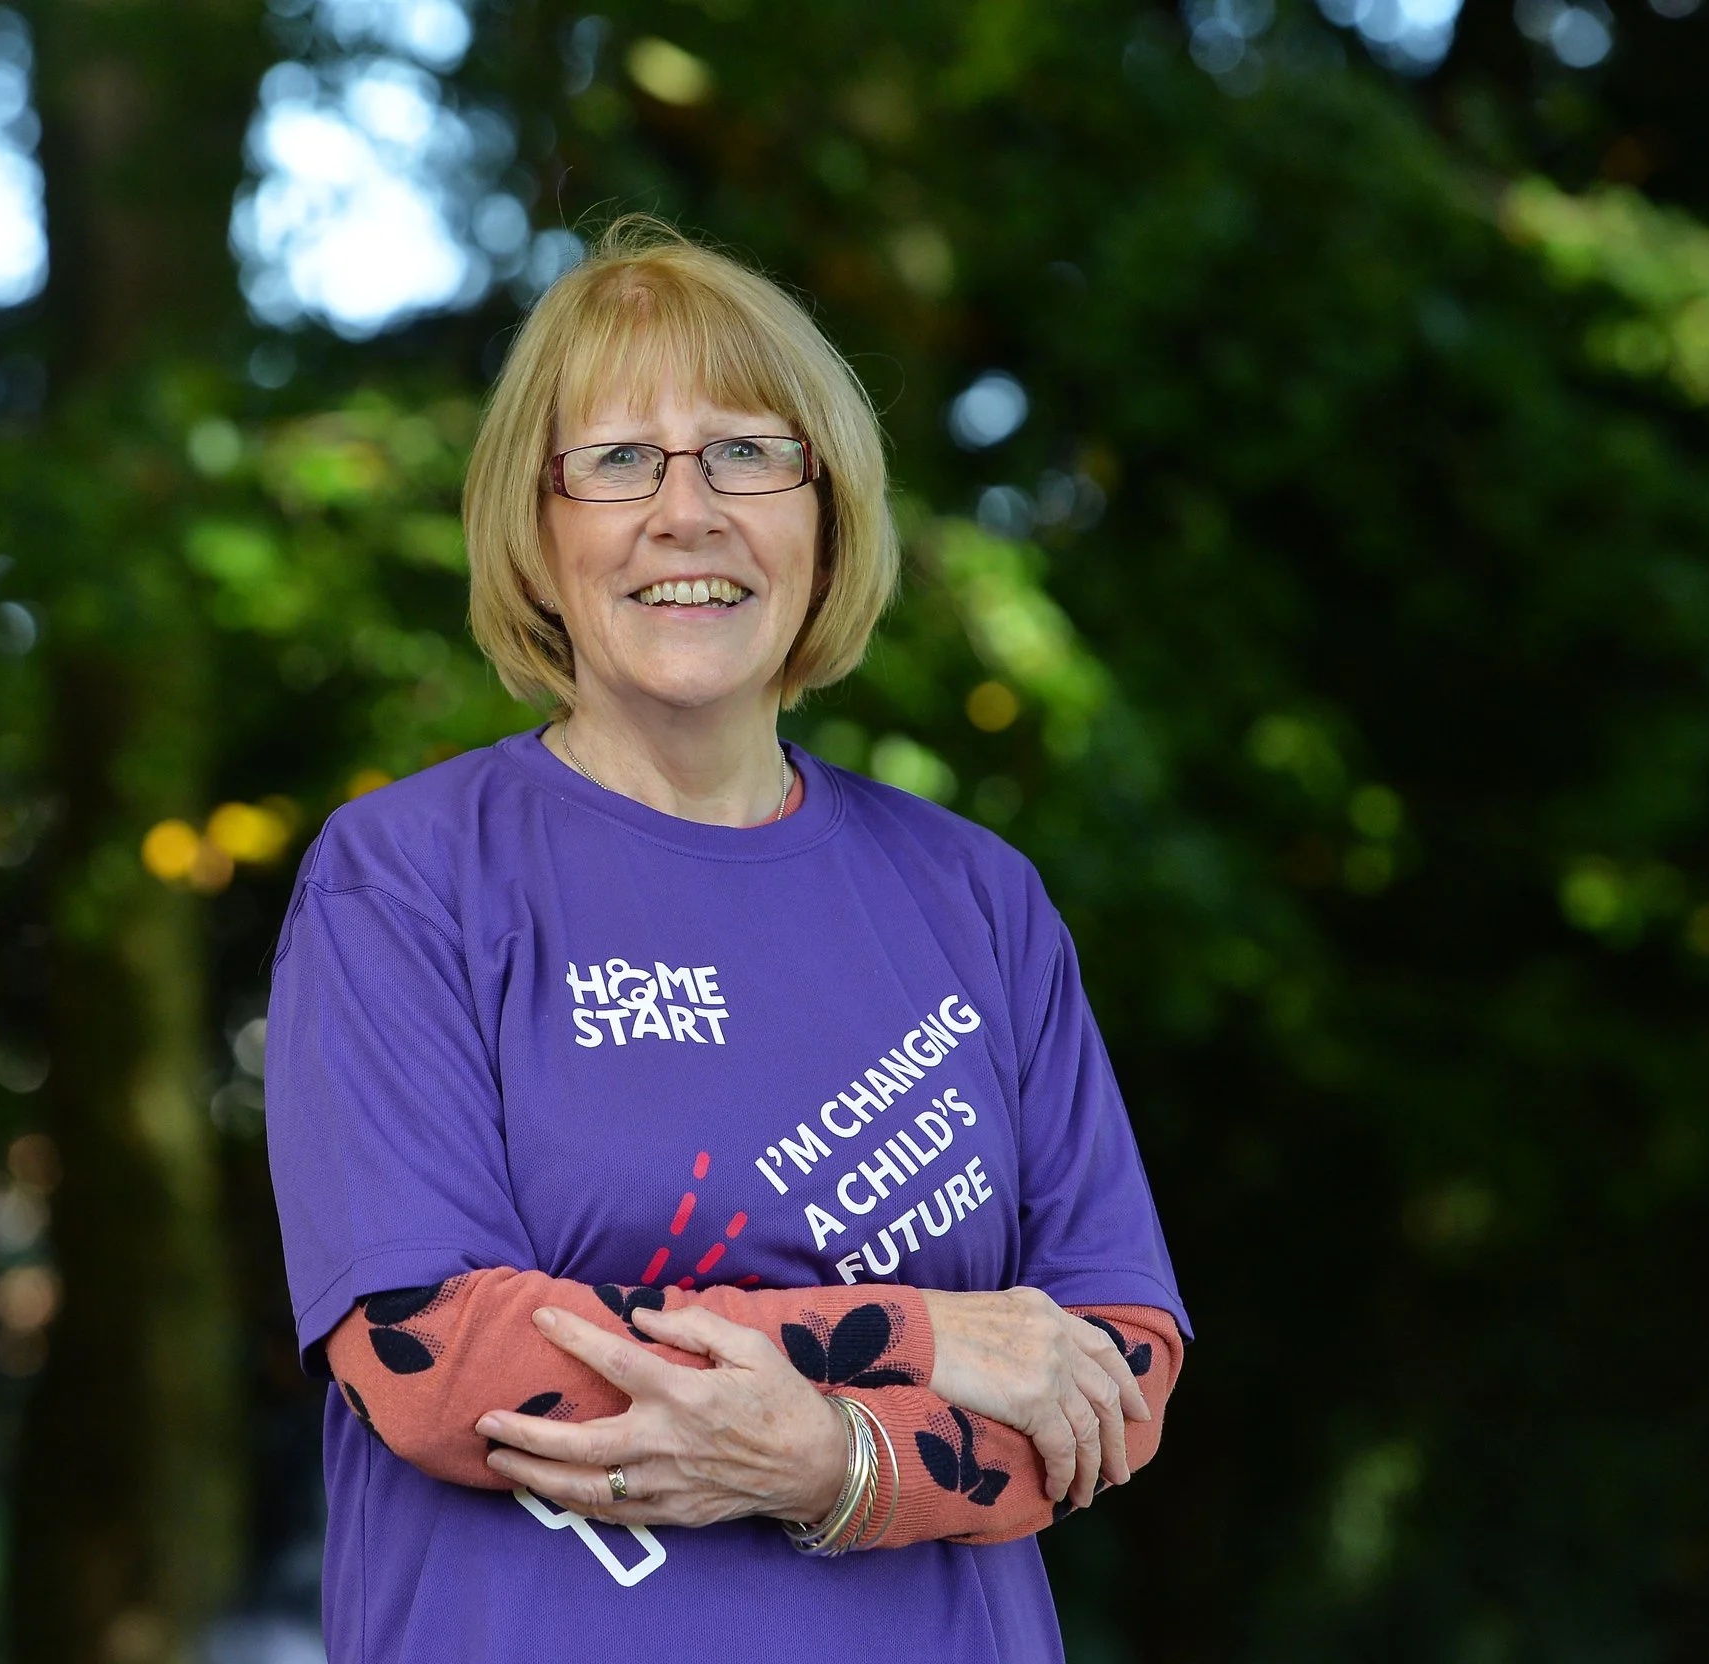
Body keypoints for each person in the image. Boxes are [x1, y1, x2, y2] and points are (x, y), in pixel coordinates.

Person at [264, 218, 1191, 1664]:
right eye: (620, 460)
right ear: (537, 521)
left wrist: (837, 1466)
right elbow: (428, 1350)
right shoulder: (405, 880)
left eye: (748, 454)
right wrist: (933, 1340)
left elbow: (1114, 1365)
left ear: (826, 517)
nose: (684, 513)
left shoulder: (976, 897)